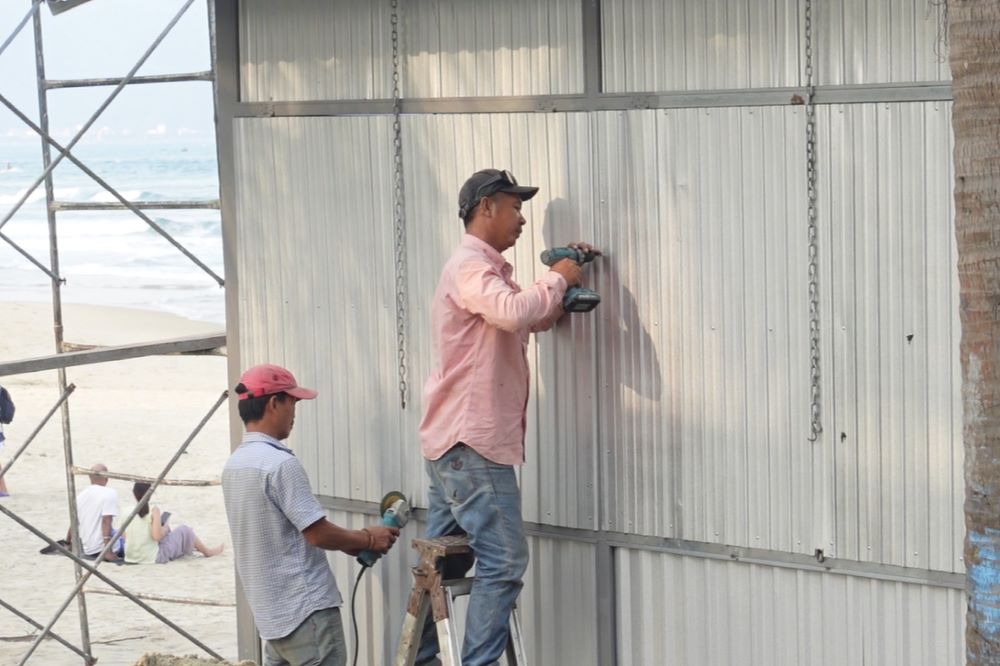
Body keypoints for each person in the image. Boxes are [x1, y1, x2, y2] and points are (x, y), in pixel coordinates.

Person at [415, 168, 599, 665]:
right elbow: (514, 312)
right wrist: (556, 277)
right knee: (505, 560)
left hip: (454, 444)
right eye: (514, 207)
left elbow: (528, 317)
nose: (521, 218)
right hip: (472, 443)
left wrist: (563, 281)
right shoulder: (472, 267)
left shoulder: (488, 272)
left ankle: (425, 661)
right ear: (486, 208)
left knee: (446, 565)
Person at [222, 363, 400, 666]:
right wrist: (368, 539)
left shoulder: (235, 465)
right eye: (293, 402)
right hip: (306, 613)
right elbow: (317, 534)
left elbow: (290, 529)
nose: (295, 412)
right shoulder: (280, 464)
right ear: (274, 403)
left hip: (272, 619)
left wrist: (349, 541)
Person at [123, 482, 224, 564]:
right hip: (152, 557)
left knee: (169, 533)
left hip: (131, 556)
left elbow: (124, 536)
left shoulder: (126, 510)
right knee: (184, 530)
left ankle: (193, 547)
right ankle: (207, 552)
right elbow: (156, 536)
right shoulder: (154, 510)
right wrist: (165, 528)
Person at [66, 463, 120, 561]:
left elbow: (74, 522)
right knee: (125, 538)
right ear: (107, 479)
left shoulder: (80, 496)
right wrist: (107, 551)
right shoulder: (109, 493)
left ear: (90, 478)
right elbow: (106, 521)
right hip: (101, 548)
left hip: (88, 548)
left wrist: (68, 542)